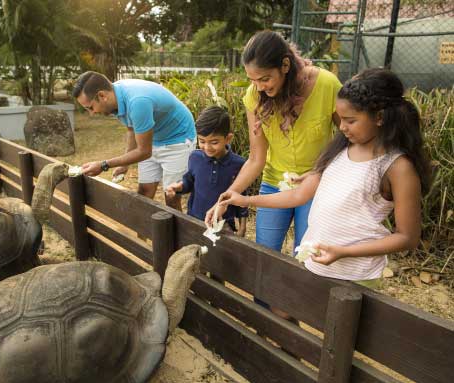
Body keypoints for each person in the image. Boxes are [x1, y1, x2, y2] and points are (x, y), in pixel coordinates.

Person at [218, 68, 431, 287]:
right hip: (318, 263)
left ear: (379, 117)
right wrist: (245, 200)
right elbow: (299, 195)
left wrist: (344, 252)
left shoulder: (398, 167)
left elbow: (407, 237)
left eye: (350, 120)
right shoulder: (341, 150)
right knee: (283, 310)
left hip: (355, 275)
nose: (342, 127)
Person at [205, 30, 342, 314]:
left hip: (318, 186)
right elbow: (256, 158)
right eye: (252, 80)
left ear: (285, 65)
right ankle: (264, 323)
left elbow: (349, 136)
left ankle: (294, 328)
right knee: (263, 259)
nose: (259, 87)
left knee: (305, 261)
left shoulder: (327, 85)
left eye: (265, 78)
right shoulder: (254, 96)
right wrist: (229, 195)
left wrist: (327, 171)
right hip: (273, 183)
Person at [72, 71, 196, 211]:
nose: (91, 113)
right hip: (154, 138)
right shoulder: (115, 97)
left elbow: (144, 152)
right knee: (144, 192)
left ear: (102, 95)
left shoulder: (137, 102)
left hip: (178, 139)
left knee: (171, 197)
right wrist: (125, 164)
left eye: (90, 107)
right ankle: (142, 232)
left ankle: (177, 233)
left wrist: (104, 165)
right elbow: (131, 128)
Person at [166, 106, 248, 237]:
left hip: (223, 224)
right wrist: (179, 187)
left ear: (228, 138)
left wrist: (242, 227)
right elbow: (189, 182)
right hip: (194, 220)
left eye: (214, 142)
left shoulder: (239, 164)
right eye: (202, 141)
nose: (207, 147)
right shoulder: (195, 157)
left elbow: (242, 196)